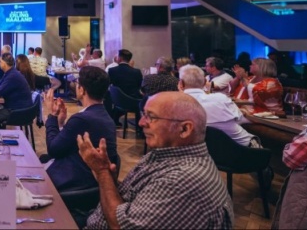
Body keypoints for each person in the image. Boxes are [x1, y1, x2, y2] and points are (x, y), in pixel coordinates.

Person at [79, 91, 233, 229]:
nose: (141, 122)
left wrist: (102, 172)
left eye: (151, 117)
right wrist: (110, 180)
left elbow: (119, 225)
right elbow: (137, 198)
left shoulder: (182, 180)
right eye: (143, 114)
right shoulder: (165, 154)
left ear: (184, 129)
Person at [42, 66, 117, 191]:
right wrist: (60, 123)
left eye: (77, 83)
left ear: (82, 90)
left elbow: (53, 149)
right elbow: (65, 146)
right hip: (90, 183)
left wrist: (52, 116)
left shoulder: (81, 119)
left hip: (73, 183)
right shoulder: (105, 117)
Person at [178, 65, 257, 147]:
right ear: (205, 82)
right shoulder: (221, 98)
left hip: (204, 151)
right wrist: (245, 112)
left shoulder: (175, 105)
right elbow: (241, 120)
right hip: (245, 149)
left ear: (181, 83)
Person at [0, 53, 32, 127]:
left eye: (0, 61)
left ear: (4, 64)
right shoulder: (10, 72)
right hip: (19, 107)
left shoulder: (12, 76)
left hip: (19, 111)